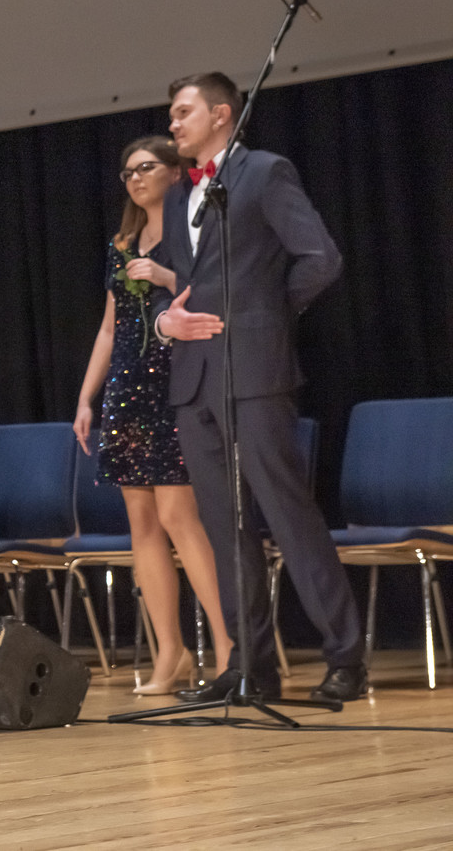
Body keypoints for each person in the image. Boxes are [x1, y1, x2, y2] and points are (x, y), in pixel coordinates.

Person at [152, 72, 364, 705]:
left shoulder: (266, 173)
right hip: (194, 379)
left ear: (222, 115)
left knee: (288, 515)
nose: (172, 123)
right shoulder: (177, 196)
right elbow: (179, 285)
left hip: (254, 370)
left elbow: (320, 258)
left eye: (183, 112)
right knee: (225, 527)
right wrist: (165, 322)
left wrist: (266, 315)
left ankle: (345, 657)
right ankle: (249, 666)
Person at [72, 136, 232, 694]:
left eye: (146, 167)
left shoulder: (194, 233)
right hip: (128, 389)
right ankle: (171, 652)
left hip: (176, 382)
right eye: (128, 172)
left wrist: (165, 278)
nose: (135, 178)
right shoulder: (122, 244)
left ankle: (229, 645)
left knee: (178, 516)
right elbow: (109, 328)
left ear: (174, 171)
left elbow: (215, 296)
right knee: (141, 522)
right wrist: (87, 397)